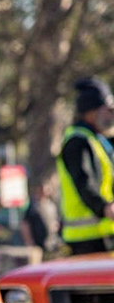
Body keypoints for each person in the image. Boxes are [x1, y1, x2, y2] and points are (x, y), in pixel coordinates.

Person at [59, 77, 114, 255]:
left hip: (101, 234)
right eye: (108, 110)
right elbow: (84, 182)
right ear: (92, 112)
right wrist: (104, 208)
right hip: (85, 240)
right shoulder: (77, 142)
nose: (111, 115)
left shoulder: (96, 140)